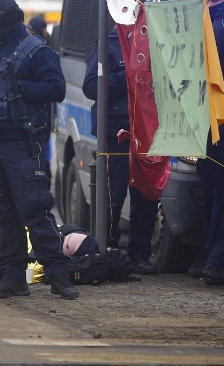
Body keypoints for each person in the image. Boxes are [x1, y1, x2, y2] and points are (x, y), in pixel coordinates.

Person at [0, 0, 78, 300]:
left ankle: (58, 275)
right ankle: (13, 277)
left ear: (4, 17)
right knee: (4, 215)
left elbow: (56, 89)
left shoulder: (35, 50)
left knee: (35, 210)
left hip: (22, 145)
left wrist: (20, 89)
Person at [82, 26, 158, 275]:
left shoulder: (154, 44)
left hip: (147, 131)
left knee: (146, 196)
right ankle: (109, 253)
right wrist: (127, 75)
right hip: (116, 134)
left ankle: (139, 256)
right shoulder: (107, 45)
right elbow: (91, 86)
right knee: (113, 198)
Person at [198, 0, 224, 285]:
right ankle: (220, 259)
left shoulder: (212, 31)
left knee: (221, 195)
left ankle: (213, 260)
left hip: (214, 125)